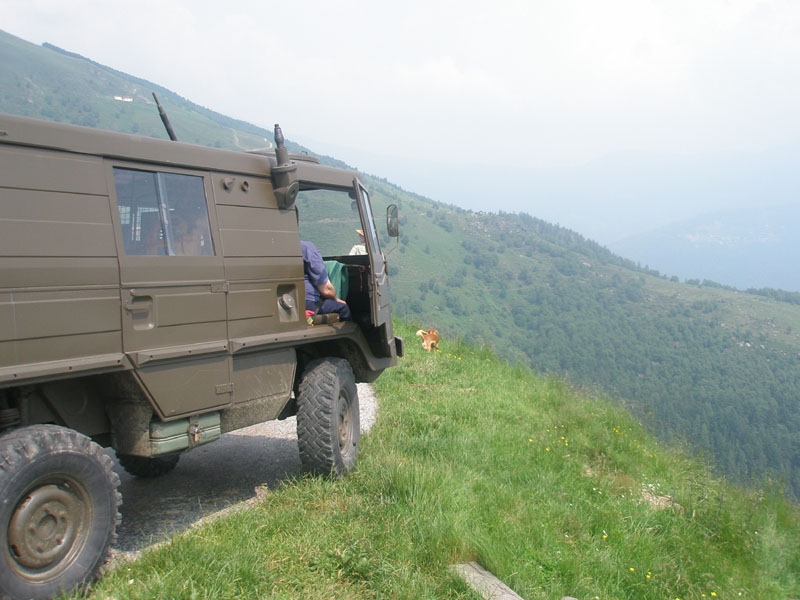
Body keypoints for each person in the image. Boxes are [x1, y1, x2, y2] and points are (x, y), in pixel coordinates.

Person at [302, 240, 351, 321]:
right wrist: (336, 299)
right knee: (343, 308)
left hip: (285, 303)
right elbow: (326, 290)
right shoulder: (306, 248)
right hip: (308, 302)